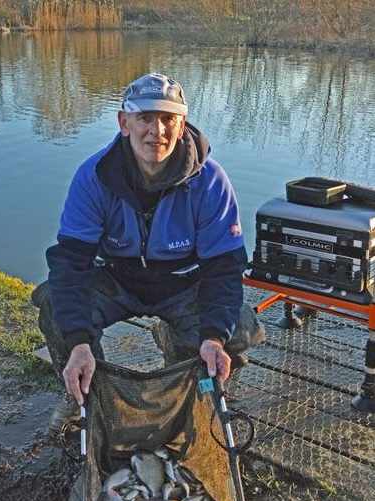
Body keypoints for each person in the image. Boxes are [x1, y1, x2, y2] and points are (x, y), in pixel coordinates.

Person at [32, 72, 265, 435]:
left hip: (182, 285)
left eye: (167, 119)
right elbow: (71, 263)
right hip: (118, 281)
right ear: (124, 123)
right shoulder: (93, 177)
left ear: (181, 123)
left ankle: (178, 343)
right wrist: (77, 341)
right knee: (53, 301)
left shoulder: (211, 182)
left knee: (240, 329)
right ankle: (82, 391)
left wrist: (214, 337)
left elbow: (224, 267)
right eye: (145, 118)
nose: (156, 131)